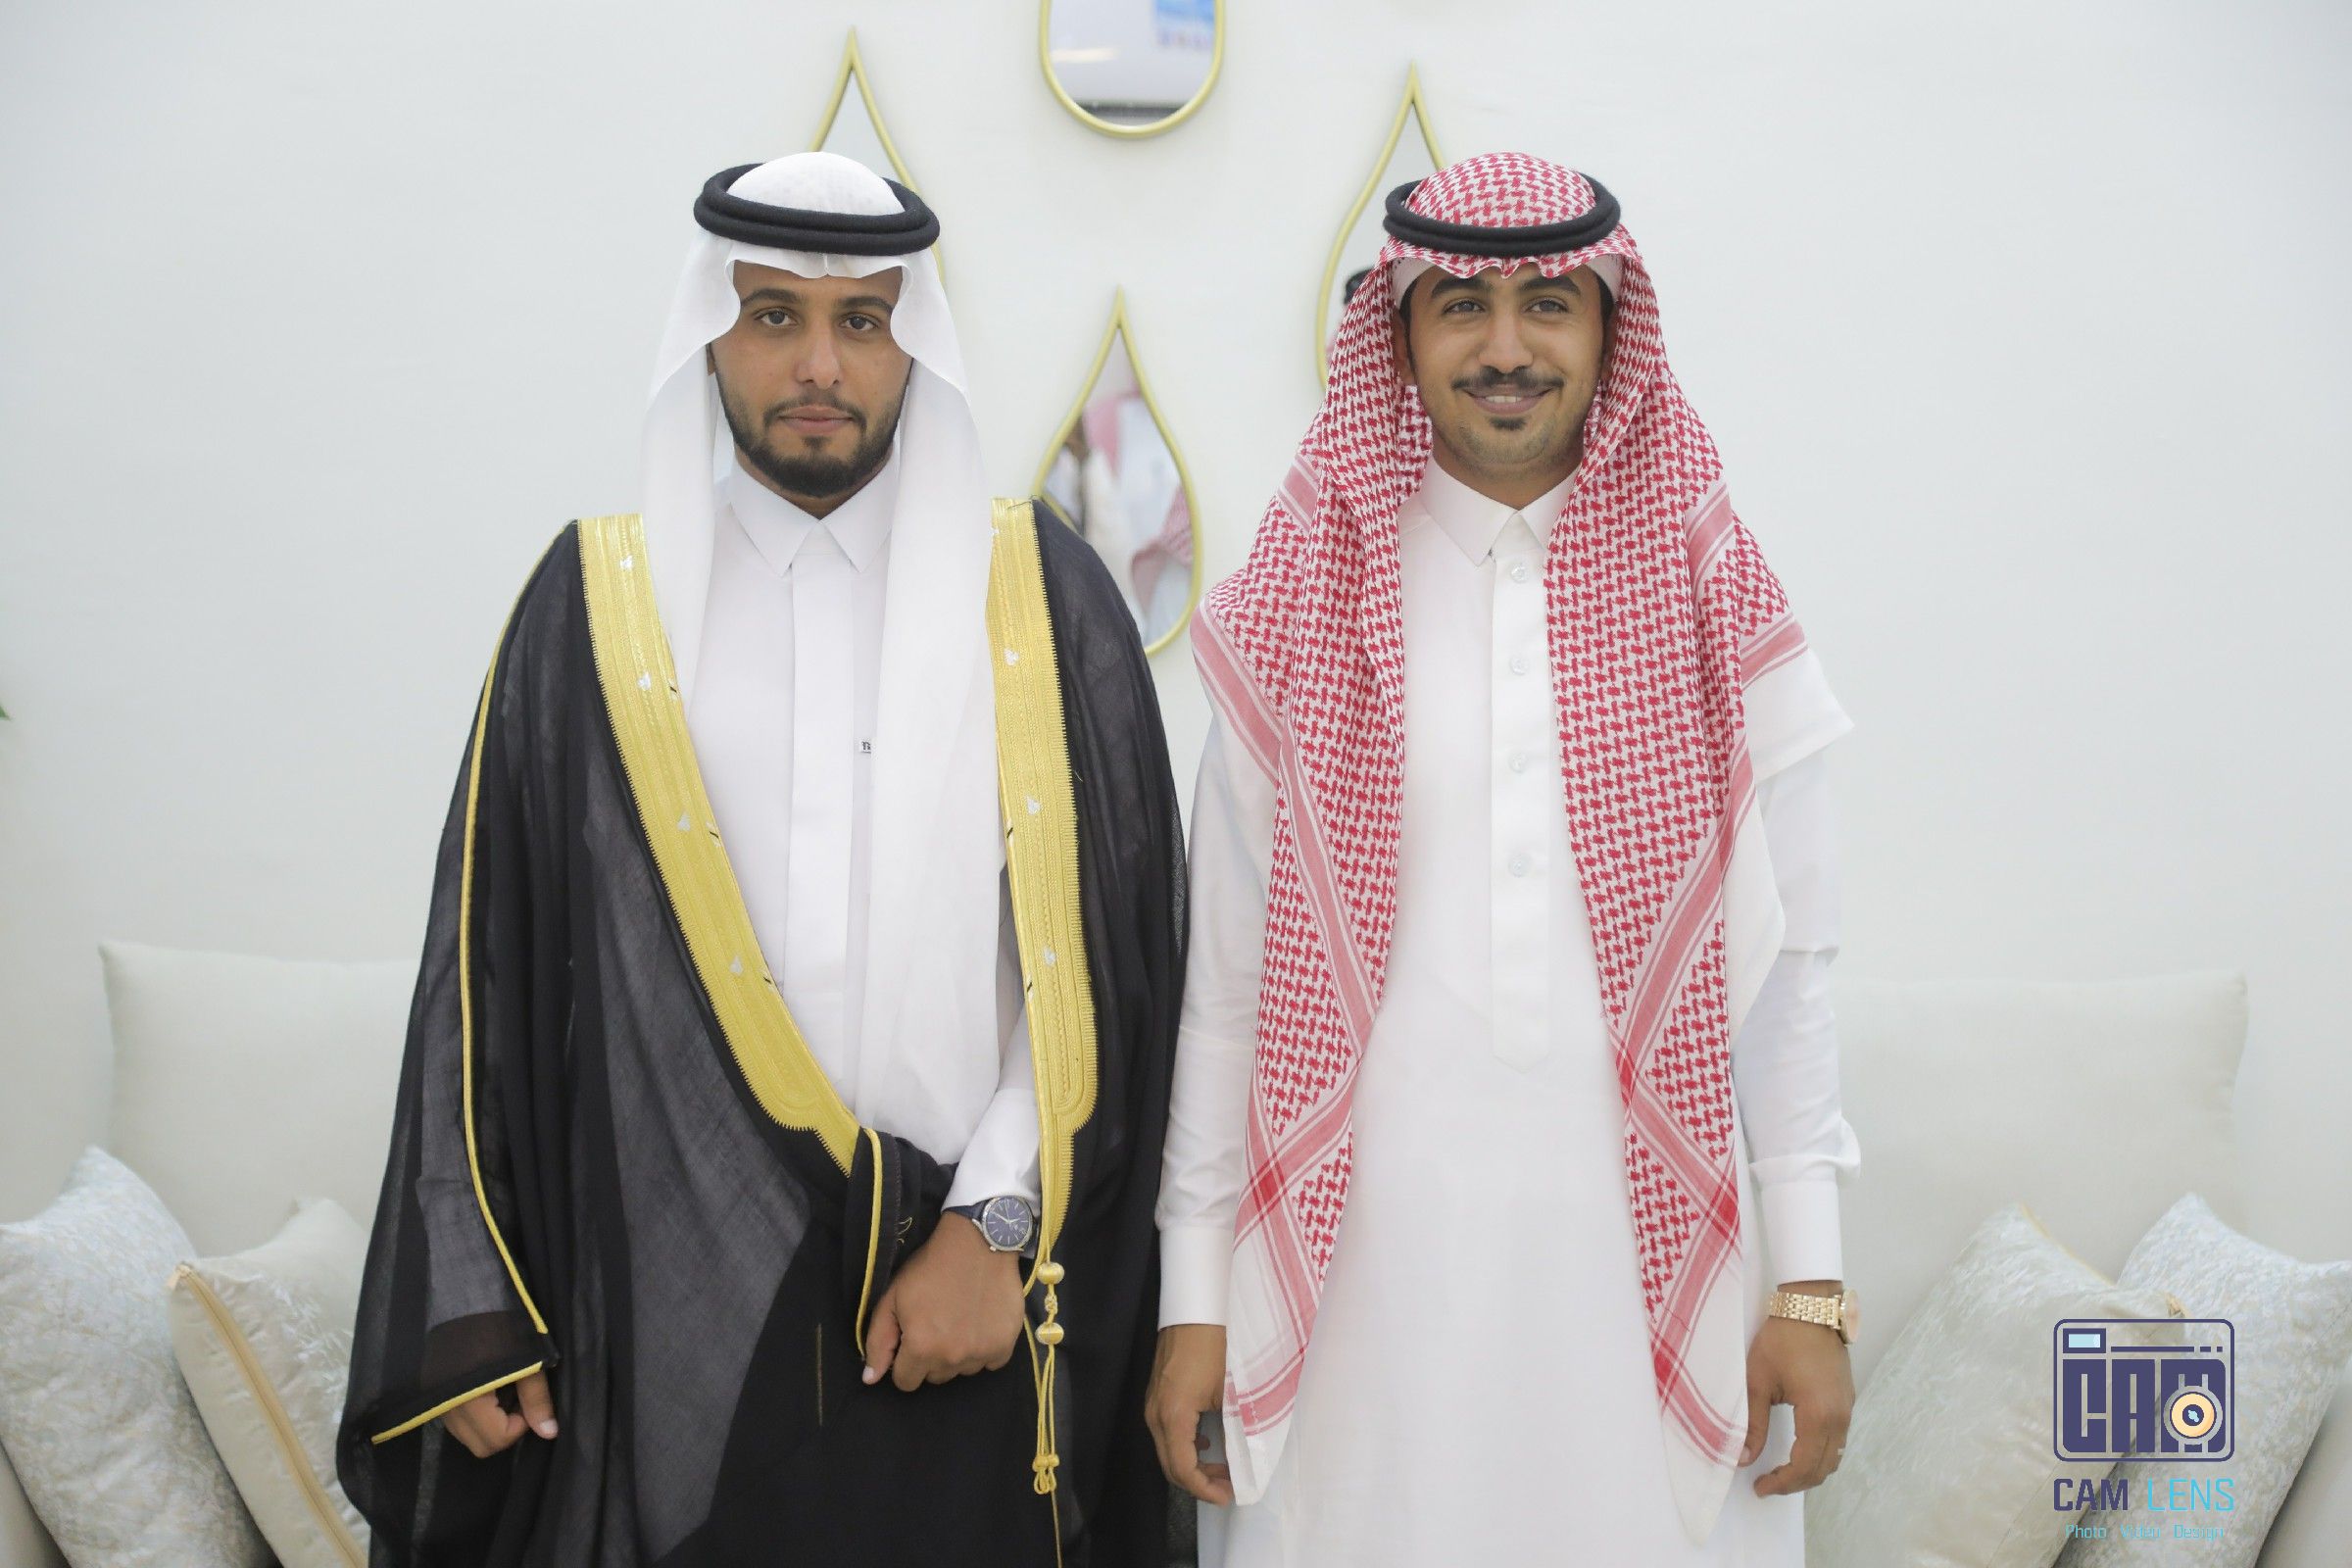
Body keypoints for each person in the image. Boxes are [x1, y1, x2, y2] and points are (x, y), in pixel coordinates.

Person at [338, 151, 1186, 1566]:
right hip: (675, 1308)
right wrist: (472, 1295)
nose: (819, 364)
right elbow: (479, 967)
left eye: (863, 321)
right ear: (709, 335)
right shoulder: (593, 604)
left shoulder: (1041, 598)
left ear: (914, 345)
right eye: (772, 314)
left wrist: (994, 1220)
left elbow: (1110, 957)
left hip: (962, 1305)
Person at [1145, 152, 1860, 1564]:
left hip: (1648, 1279)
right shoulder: (1302, 597)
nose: (1508, 347)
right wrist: (1194, 1297)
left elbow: (1792, 977)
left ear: (1609, 327)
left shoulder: (1710, 591)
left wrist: (1815, 1287)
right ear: (1401, 334)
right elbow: (1226, 992)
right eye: (1463, 305)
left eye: (1551, 303)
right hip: (1363, 1293)